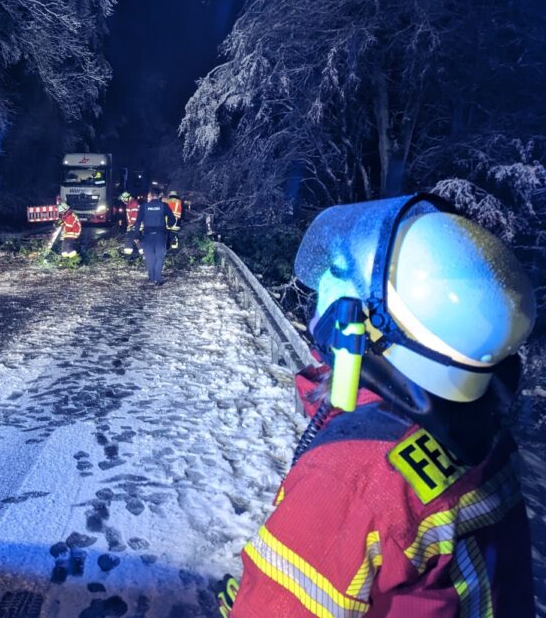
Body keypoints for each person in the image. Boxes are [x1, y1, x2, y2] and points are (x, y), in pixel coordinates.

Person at [221, 194, 536, 617]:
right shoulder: (483, 429)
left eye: (342, 276)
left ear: (374, 324)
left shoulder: (350, 474)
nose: (324, 286)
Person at [136, 188, 175, 284]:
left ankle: (151, 277)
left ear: (151, 195)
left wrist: (137, 235)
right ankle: (158, 279)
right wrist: (169, 225)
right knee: (159, 256)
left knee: (149, 257)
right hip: (160, 235)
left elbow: (138, 222)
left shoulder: (144, 206)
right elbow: (172, 219)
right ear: (159, 195)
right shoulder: (163, 205)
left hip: (147, 236)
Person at [120, 191, 141, 257]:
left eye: (124, 200)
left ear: (127, 198)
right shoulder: (130, 204)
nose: (124, 202)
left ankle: (127, 256)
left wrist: (131, 225)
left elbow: (135, 215)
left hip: (134, 225)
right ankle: (142, 254)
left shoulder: (133, 203)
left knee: (129, 240)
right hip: (134, 225)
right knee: (136, 240)